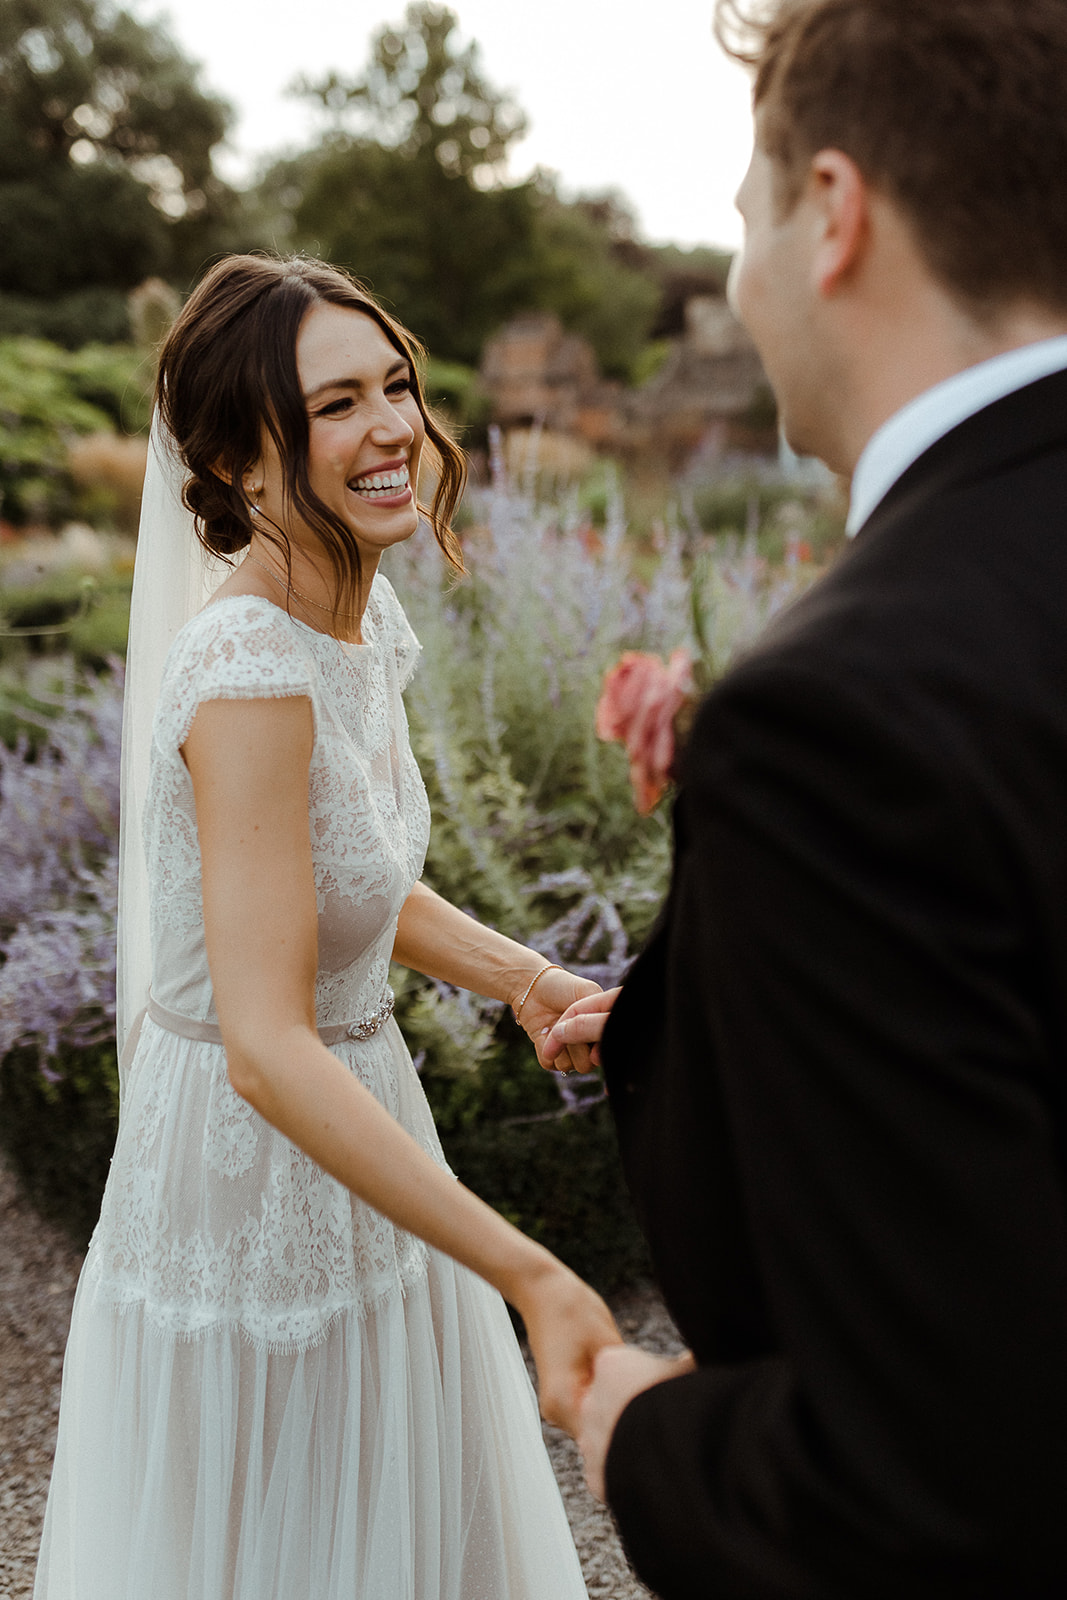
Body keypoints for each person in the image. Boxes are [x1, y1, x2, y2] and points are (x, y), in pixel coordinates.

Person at [545, 1, 1067, 1593]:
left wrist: (639, 1430)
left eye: (743, 225)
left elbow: (936, 1488)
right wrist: (686, 1003)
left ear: (834, 214)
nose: (739, 288)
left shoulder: (840, 711)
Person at [34, 253, 620, 1600]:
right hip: (253, 1167)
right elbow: (262, 1044)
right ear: (243, 460)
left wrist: (526, 980)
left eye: (397, 385)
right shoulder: (246, 669)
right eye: (338, 403)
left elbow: (344, 878)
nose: (394, 426)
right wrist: (529, 1269)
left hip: (366, 1115)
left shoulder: (355, 610)